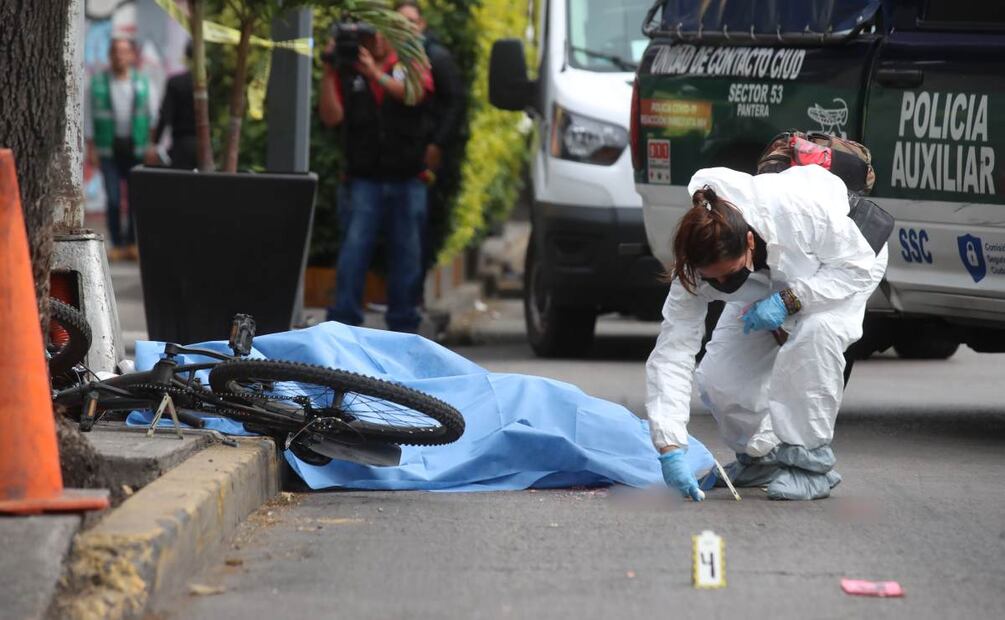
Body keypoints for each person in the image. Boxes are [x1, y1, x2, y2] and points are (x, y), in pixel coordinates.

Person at [647, 165, 889, 501]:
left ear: (748, 241)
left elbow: (856, 267)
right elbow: (672, 352)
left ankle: (810, 464)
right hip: (767, 279)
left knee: (814, 337)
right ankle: (761, 457)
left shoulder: (796, 212)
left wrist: (791, 300)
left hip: (843, 262)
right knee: (720, 376)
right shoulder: (694, 273)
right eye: (711, 280)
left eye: (727, 277)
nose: (719, 286)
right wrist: (670, 445)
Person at [319, 26, 433, 333]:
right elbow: (332, 117)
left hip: (407, 177)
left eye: (383, 33)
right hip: (363, 178)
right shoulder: (347, 69)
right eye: (371, 34)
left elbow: (414, 93)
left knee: (407, 255)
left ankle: (404, 326)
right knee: (354, 251)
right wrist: (329, 72)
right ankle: (343, 325)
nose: (378, 39)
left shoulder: (409, 61)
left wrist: (375, 74)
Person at [396, 0, 466, 300]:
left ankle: (412, 302)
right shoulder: (388, 58)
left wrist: (437, 143)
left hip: (423, 162)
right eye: (400, 22)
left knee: (417, 238)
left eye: (412, 21)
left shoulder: (435, 58)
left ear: (422, 24)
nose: (407, 28)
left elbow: (454, 104)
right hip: (392, 163)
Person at [86, 37, 158, 261]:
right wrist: (92, 148)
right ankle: (116, 243)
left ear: (132, 56)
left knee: (137, 198)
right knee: (114, 199)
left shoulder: (144, 84)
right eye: (116, 52)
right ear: (110, 56)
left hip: (136, 148)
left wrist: (150, 145)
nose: (120, 56)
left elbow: (152, 118)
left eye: (124, 52)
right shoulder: (97, 84)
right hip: (109, 148)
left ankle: (132, 243)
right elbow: (89, 118)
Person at [149, 43, 196, 170]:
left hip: (181, 144)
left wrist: (154, 143)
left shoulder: (176, 82)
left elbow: (165, 116)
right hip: (209, 145)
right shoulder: (214, 84)